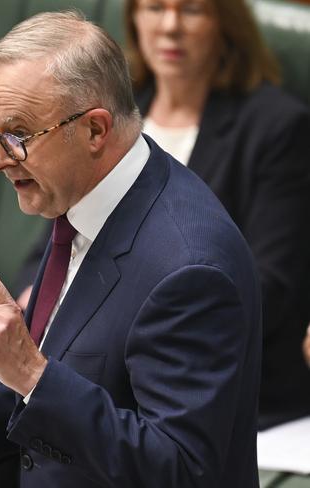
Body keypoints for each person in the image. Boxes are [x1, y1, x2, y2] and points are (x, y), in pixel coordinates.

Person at [0, 11, 262, 487]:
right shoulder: (88, 197)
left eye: (16, 136)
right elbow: (83, 382)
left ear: (95, 131)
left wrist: (31, 372)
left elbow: (179, 468)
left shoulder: (189, 270)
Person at [124, 0, 310, 429]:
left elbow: (269, 287)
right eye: (154, 7)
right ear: (134, 18)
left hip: (216, 378)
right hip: (109, 365)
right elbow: (61, 234)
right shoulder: (115, 116)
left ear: (225, 24)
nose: (170, 27)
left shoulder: (277, 127)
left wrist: (125, 327)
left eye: (191, 10)